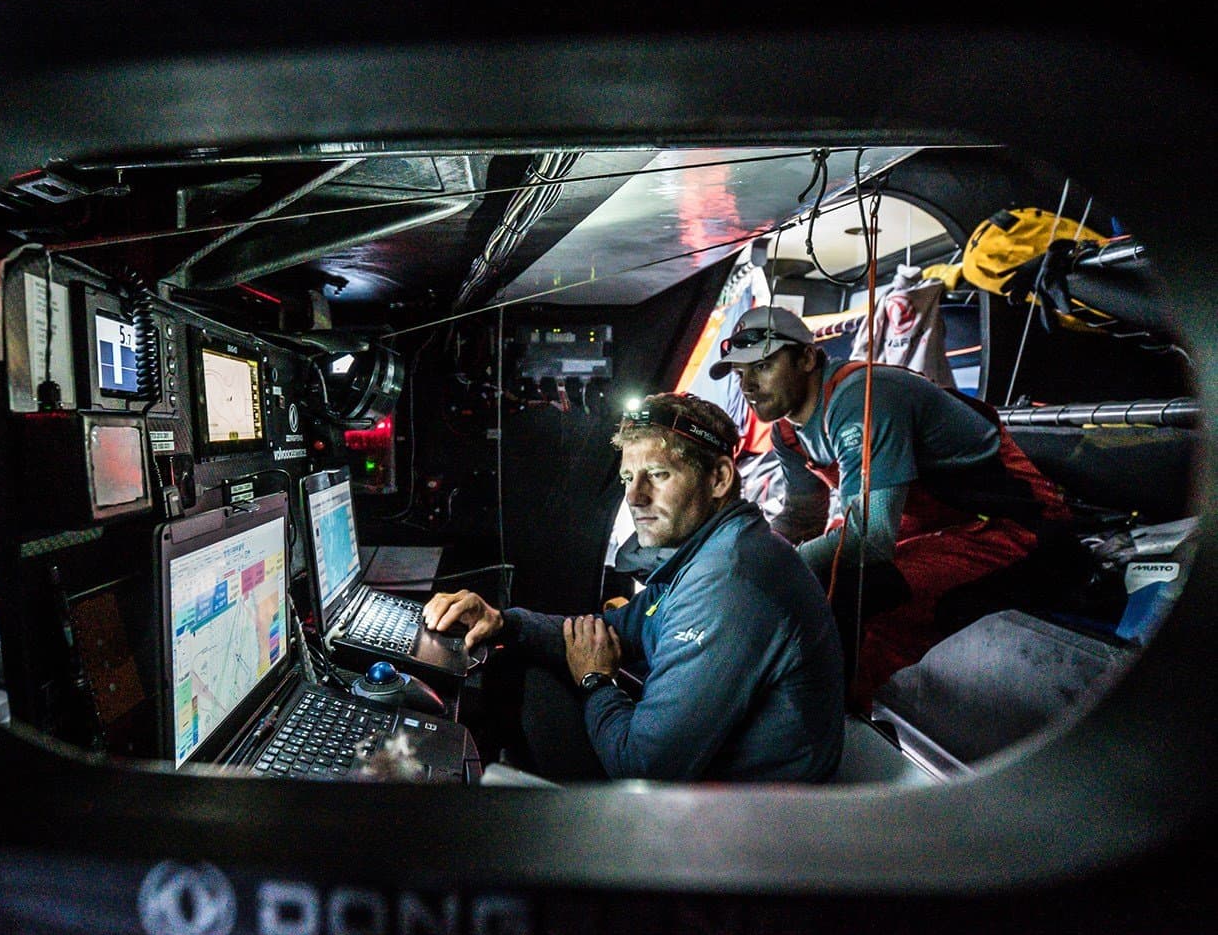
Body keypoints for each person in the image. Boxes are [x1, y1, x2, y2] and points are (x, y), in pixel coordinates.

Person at [422, 392, 844, 783]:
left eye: (657, 475)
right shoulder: (710, 554)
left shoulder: (729, 581)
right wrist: (504, 624)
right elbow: (611, 629)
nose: (635, 497)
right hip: (721, 791)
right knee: (517, 664)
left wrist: (595, 681)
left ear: (718, 478)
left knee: (520, 685)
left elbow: (645, 766)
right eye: (627, 477)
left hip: (744, 826)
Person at [713, 304, 1072, 707]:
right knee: (803, 586)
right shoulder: (786, 432)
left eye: (761, 366)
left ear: (807, 358)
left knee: (856, 596)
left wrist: (773, 568)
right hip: (928, 529)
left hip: (1018, 526)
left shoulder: (862, 397)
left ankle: (856, 721)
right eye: (739, 373)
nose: (747, 385)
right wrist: (748, 557)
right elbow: (802, 516)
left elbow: (870, 538)